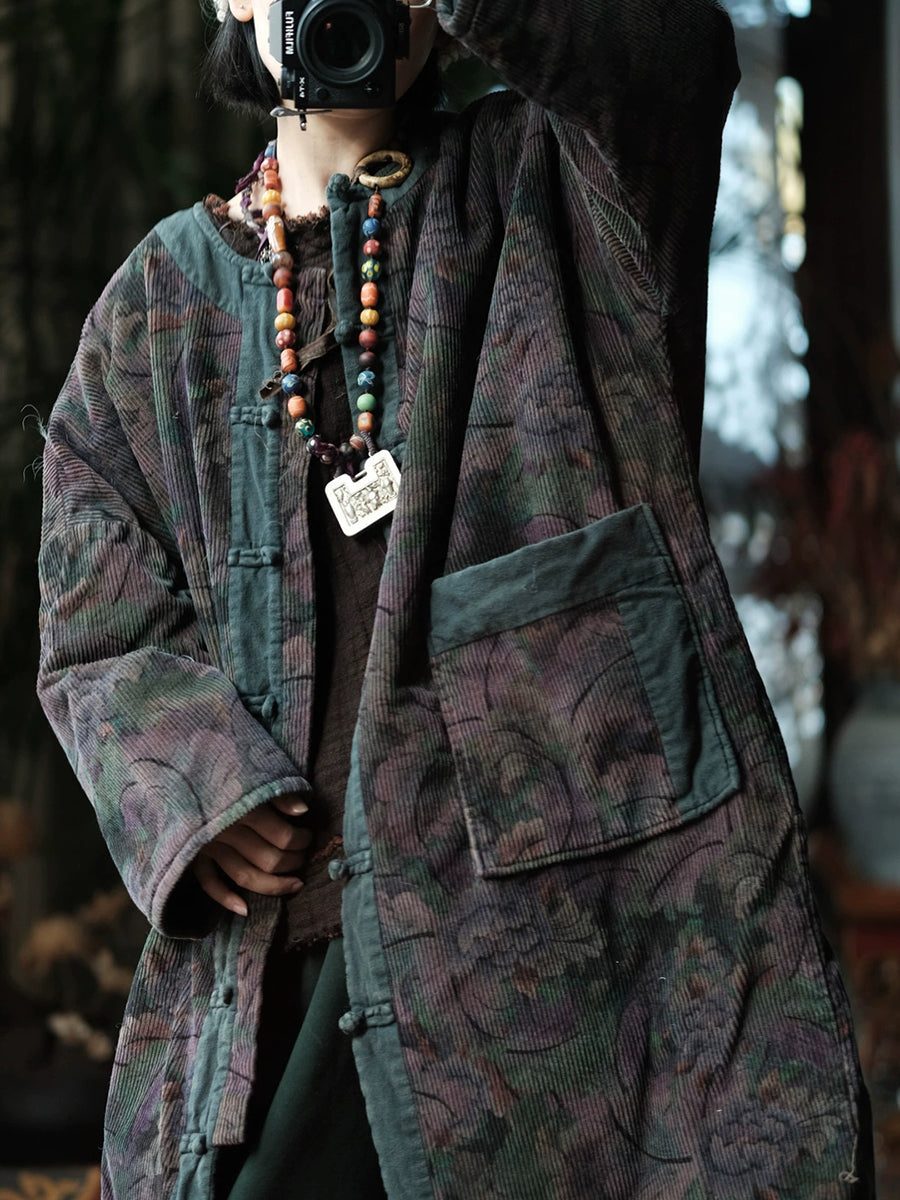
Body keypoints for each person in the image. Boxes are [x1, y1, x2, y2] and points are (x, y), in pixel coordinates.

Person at [37, 0, 874, 1197]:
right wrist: (195, 783)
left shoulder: (556, 182)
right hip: (277, 989)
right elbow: (95, 620)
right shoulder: (153, 307)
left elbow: (676, 58)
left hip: (576, 990)